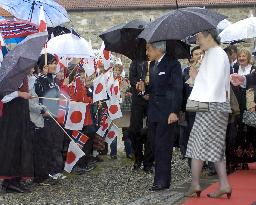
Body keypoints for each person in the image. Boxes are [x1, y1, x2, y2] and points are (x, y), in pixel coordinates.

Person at [185, 29, 232, 199]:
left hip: (212, 105)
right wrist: (197, 76)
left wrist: (196, 77)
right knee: (216, 147)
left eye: (199, 37)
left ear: (209, 35)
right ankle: (225, 185)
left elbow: (214, 82)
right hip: (216, 104)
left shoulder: (216, 54)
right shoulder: (214, 53)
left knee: (198, 144)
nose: (198, 41)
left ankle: (195, 184)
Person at [145, 41, 183, 191]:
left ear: (158, 49)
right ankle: (158, 178)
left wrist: (174, 111)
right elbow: (154, 89)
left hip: (167, 113)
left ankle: (162, 181)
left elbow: (177, 88)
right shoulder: (153, 65)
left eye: (148, 49)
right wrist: (144, 88)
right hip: (154, 112)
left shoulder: (173, 64)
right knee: (154, 145)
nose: (147, 53)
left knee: (163, 147)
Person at [0, 75, 33, 193]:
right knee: (12, 147)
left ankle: (16, 179)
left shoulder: (23, 76)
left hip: (21, 115)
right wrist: (20, 94)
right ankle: (10, 182)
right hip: (12, 117)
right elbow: (3, 96)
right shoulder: (11, 76)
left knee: (20, 146)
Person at [35, 54, 65, 181]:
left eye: (54, 63)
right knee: (47, 145)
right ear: (43, 66)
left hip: (56, 117)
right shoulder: (38, 80)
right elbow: (36, 99)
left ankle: (55, 170)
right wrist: (43, 112)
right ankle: (45, 173)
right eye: (51, 63)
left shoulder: (53, 79)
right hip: (46, 118)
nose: (54, 65)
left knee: (56, 144)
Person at [129, 59, 154, 173]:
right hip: (138, 99)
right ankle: (138, 158)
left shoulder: (156, 60)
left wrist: (150, 93)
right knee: (134, 130)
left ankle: (149, 162)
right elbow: (132, 79)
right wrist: (141, 91)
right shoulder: (136, 61)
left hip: (153, 99)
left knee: (152, 130)